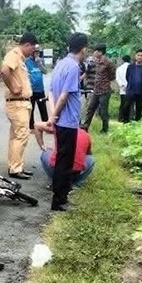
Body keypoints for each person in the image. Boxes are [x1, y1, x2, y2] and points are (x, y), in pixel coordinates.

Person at [47, 32, 89, 212]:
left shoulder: (60, 64)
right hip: (67, 122)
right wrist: (55, 116)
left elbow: (51, 92)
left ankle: (61, 197)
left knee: (62, 161)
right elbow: (64, 96)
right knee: (65, 164)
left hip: (60, 121)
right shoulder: (73, 66)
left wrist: (52, 115)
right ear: (83, 49)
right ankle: (58, 201)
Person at [0, 32, 38, 180]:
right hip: (17, 103)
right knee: (22, 135)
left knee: (16, 136)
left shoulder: (20, 58)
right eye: (32, 48)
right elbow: (4, 70)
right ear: (27, 44)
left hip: (21, 103)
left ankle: (15, 166)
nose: (32, 51)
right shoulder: (14, 55)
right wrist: (13, 87)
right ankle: (16, 168)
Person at [33, 121, 94, 188]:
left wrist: (42, 146)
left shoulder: (61, 128)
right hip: (74, 172)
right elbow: (89, 154)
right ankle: (76, 184)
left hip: (56, 170)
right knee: (90, 159)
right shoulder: (87, 136)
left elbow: (37, 125)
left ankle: (55, 181)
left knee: (45, 153)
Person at [82, 44, 115, 133]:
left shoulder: (108, 63)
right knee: (90, 108)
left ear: (100, 52)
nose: (94, 53)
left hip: (104, 90)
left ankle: (105, 129)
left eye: (95, 51)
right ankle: (85, 126)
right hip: (96, 89)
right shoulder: (95, 61)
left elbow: (112, 76)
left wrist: (106, 82)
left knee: (103, 111)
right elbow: (87, 71)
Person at [121, 49, 142, 122]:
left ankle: (137, 122)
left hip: (140, 90)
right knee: (126, 106)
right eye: (138, 55)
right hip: (131, 90)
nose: (140, 57)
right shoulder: (130, 66)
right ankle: (125, 121)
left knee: (139, 107)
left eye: (141, 55)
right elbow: (127, 77)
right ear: (135, 56)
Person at [26, 45, 48, 130]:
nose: (37, 54)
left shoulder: (41, 60)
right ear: (32, 52)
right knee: (31, 109)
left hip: (40, 89)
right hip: (31, 90)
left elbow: (45, 72)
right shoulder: (27, 61)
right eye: (36, 52)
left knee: (43, 109)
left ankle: (46, 125)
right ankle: (31, 127)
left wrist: (39, 64)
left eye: (38, 52)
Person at [115, 55, 131, 123]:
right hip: (131, 88)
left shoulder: (119, 68)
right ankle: (129, 118)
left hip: (122, 88)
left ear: (123, 60)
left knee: (122, 103)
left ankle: (121, 117)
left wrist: (122, 86)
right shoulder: (132, 67)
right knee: (130, 104)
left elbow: (117, 78)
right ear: (130, 60)